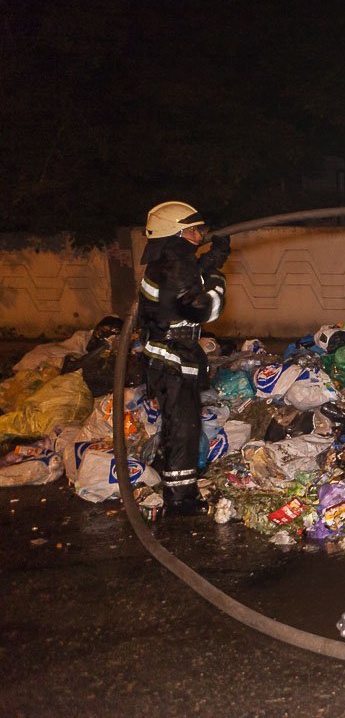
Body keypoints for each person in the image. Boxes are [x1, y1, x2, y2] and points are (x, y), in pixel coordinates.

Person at [138, 201, 231, 516]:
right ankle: (180, 500)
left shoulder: (170, 262)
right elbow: (201, 307)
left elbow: (180, 290)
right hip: (173, 359)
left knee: (181, 427)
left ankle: (182, 490)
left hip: (167, 357)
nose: (198, 234)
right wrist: (217, 280)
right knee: (183, 429)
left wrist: (212, 259)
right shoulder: (177, 264)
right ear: (174, 234)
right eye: (191, 229)